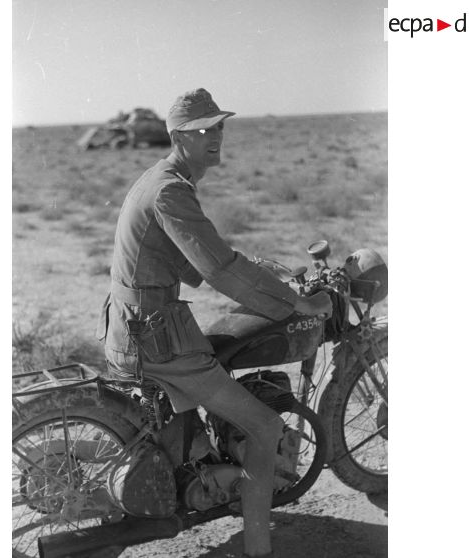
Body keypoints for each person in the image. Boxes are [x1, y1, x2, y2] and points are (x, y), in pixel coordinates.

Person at [98, 88, 332, 558]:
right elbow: (217, 269)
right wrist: (294, 305)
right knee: (265, 428)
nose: (214, 136)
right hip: (155, 336)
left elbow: (186, 259)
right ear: (178, 137)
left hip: (135, 326)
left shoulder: (161, 179)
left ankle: (204, 472)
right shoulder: (170, 190)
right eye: (201, 130)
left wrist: (256, 270)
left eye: (219, 125)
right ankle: (259, 549)